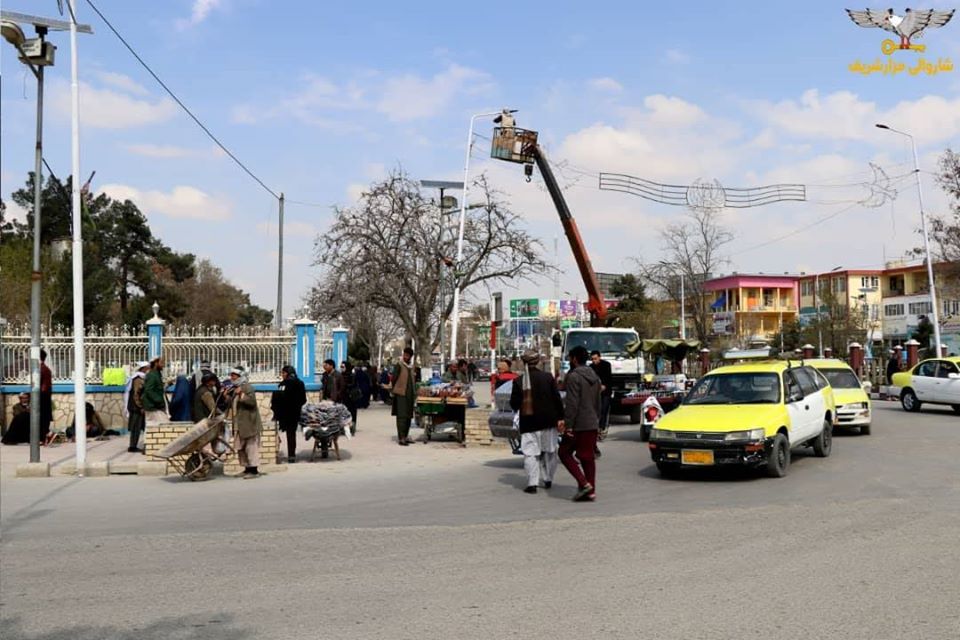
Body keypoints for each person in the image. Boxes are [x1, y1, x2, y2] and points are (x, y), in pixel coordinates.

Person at [510, 349, 563, 494]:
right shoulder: (547, 378)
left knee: (530, 453)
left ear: (523, 363)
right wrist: (561, 417)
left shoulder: (519, 381)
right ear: (538, 361)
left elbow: (514, 404)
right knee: (550, 452)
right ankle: (548, 479)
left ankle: (532, 483)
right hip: (548, 421)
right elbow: (557, 399)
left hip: (529, 422)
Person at [558, 345, 601, 502]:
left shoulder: (574, 377)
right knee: (587, 457)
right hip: (592, 422)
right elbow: (598, 402)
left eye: (570, 358)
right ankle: (591, 491)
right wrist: (597, 420)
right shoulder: (595, 377)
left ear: (574, 359)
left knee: (564, 453)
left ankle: (584, 484)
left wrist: (568, 425)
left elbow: (572, 404)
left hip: (578, 423)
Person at [227, 367, 262, 478]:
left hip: (249, 423)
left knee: (251, 447)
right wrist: (226, 396)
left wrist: (241, 394)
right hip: (239, 423)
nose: (232, 378)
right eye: (231, 375)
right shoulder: (235, 388)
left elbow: (251, 402)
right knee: (241, 448)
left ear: (241, 376)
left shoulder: (247, 387)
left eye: (234, 375)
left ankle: (254, 470)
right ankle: (246, 468)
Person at [271, 365, 307, 463]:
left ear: (287, 373)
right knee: (292, 434)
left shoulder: (283, 384)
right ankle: (292, 455)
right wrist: (296, 406)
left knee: (289, 434)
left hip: (285, 413)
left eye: (283, 373)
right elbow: (303, 400)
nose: (282, 375)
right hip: (295, 413)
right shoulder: (300, 383)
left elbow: (278, 399)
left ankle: (290, 455)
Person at [391, 347, 417, 446]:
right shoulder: (399, 365)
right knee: (402, 416)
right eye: (405, 355)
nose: (406, 357)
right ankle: (401, 438)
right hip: (401, 394)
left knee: (409, 416)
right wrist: (395, 390)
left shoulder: (411, 367)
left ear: (410, 357)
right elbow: (393, 378)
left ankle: (406, 436)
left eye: (408, 355)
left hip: (410, 395)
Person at [589, 350, 614, 448]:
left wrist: (604, 386)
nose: (594, 361)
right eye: (592, 359)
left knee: (604, 409)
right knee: (596, 411)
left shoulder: (606, 365)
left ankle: (602, 428)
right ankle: (596, 429)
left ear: (599, 357)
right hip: (596, 392)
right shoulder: (590, 367)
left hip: (606, 391)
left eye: (595, 358)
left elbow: (608, 378)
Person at [124, 361, 150, 453]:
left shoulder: (141, 378)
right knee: (136, 427)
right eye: (148, 368)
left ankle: (146, 445)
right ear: (144, 369)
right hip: (136, 408)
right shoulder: (138, 379)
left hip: (138, 407)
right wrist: (140, 407)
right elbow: (136, 395)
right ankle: (132, 446)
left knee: (143, 426)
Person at [142, 356, 168, 426]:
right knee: (162, 426)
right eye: (161, 363)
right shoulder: (152, 375)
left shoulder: (157, 374)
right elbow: (149, 390)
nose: (163, 365)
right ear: (156, 363)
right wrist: (159, 400)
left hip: (155, 407)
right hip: (153, 407)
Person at [343, 363, 360, 435]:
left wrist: (345, 384)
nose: (341, 368)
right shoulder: (341, 375)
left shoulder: (352, 375)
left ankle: (352, 428)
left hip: (351, 397)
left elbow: (353, 385)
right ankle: (345, 428)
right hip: (344, 397)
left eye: (343, 366)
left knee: (352, 413)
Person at [39, 348, 53, 442]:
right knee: (45, 417)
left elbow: (38, 383)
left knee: (42, 417)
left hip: (42, 395)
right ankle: (46, 435)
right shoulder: (46, 369)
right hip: (46, 394)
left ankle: (43, 437)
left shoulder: (40, 369)